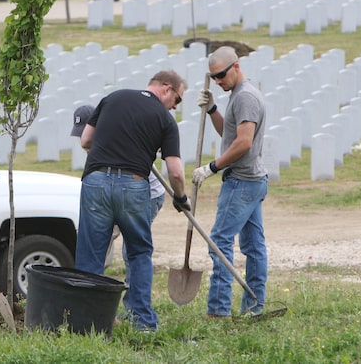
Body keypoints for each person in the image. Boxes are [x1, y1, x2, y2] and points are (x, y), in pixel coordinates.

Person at [75, 70, 189, 332]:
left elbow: (86, 140)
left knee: (90, 254)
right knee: (138, 253)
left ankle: (86, 321)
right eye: (177, 99)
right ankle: (142, 321)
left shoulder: (112, 98)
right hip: (133, 185)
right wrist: (180, 197)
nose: (175, 106)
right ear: (166, 88)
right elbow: (175, 171)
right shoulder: (165, 119)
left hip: (96, 182)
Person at [192, 46, 268, 318]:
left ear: (236, 66)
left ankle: (218, 311)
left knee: (219, 242)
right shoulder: (237, 94)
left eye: (221, 75)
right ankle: (255, 308)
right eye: (213, 77)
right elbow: (230, 132)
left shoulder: (245, 96)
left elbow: (244, 143)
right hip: (253, 180)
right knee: (253, 247)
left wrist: (212, 167)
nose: (218, 81)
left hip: (242, 182)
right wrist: (213, 109)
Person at [70, 104, 166, 322]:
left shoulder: (113, 142)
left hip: (148, 195)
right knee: (99, 250)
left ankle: (135, 311)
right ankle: (96, 312)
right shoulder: (96, 148)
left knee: (133, 252)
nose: (83, 141)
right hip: (117, 194)